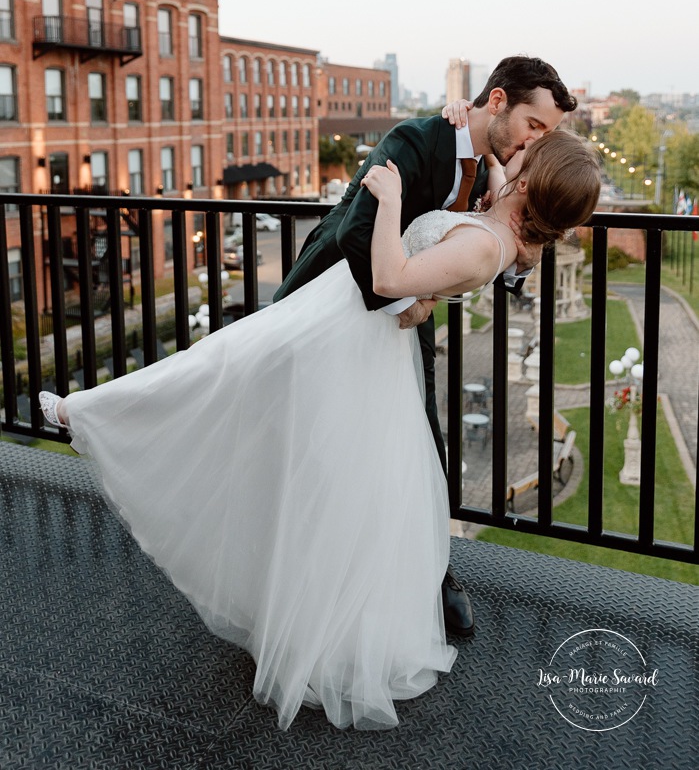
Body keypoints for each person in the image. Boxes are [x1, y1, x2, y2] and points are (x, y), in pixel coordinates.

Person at [39, 131, 600, 732]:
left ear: (529, 181)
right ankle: (98, 412)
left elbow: (388, 277)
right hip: (345, 323)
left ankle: (94, 415)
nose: (518, 149)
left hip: (348, 334)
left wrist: (389, 198)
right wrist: (472, 135)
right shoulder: (502, 218)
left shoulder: (486, 247)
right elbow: (485, 195)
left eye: (529, 152)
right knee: (232, 373)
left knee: (225, 370)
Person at [273, 54, 578, 637]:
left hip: (405, 319)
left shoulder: (498, 161)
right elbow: (353, 233)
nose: (536, 143)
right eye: (534, 127)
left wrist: (433, 298)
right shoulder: (414, 140)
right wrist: (407, 301)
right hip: (340, 296)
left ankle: (434, 573)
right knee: (296, 420)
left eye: (548, 134)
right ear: (496, 103)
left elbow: (497, 249)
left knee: (420, 442)